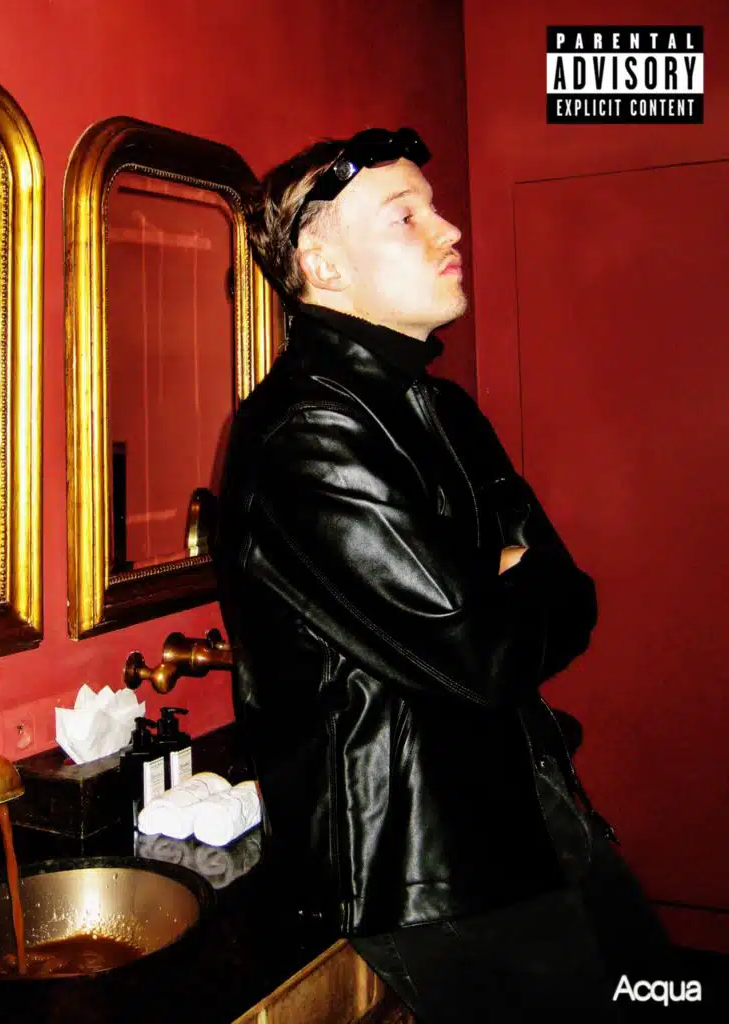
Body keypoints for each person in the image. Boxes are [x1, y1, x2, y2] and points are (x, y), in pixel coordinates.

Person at [214, 130, 672, 1021]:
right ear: (323, 266)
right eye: (406, 216)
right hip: (426, 867)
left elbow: (574, 596)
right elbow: (487, 652)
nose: (449, 228)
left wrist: (502, 581)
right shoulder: (308, 434)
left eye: (434, 207)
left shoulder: (441, 407)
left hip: (528, 808)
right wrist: (502, 576)